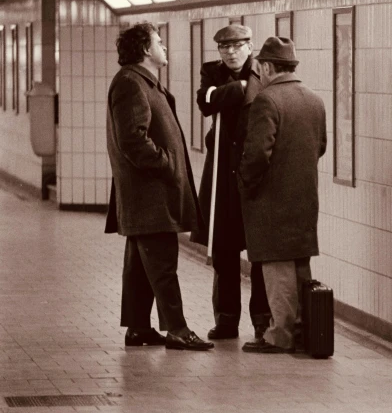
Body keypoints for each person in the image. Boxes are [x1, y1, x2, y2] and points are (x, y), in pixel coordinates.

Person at [105, 22, 214, 351]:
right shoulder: (131, 84)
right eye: (159, 42)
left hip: (149, 193)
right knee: (163, 264)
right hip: (148, 193)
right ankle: (178, 330)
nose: (165, 47)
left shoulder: (142, 82)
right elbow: (132, 139)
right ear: (144, 50)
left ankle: (138, 327)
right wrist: (166, 163)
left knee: (141, 265)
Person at [238, 36, 327, 353]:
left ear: (265, 66)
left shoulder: (267, 100)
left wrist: (246, 183)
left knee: (276, 269)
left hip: (271, 201)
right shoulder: (314, 99)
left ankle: (280, 334)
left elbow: (258, 154)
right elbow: (321, 147)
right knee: (300, 266)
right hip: (304, 198)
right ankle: (303, 329)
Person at [191, 24, 271, 341]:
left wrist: (226, 93)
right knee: (224, 251)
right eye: (224, 48)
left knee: (260, 251)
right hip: (223, 171)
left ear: (250, 46)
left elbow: (218, 99)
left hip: (254, 172)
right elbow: (205, 102)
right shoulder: (212, 71)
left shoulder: (264, 72)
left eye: (237, 46)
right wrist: (235, 90)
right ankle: (226, 319)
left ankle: (262, 321)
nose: (231, 52)